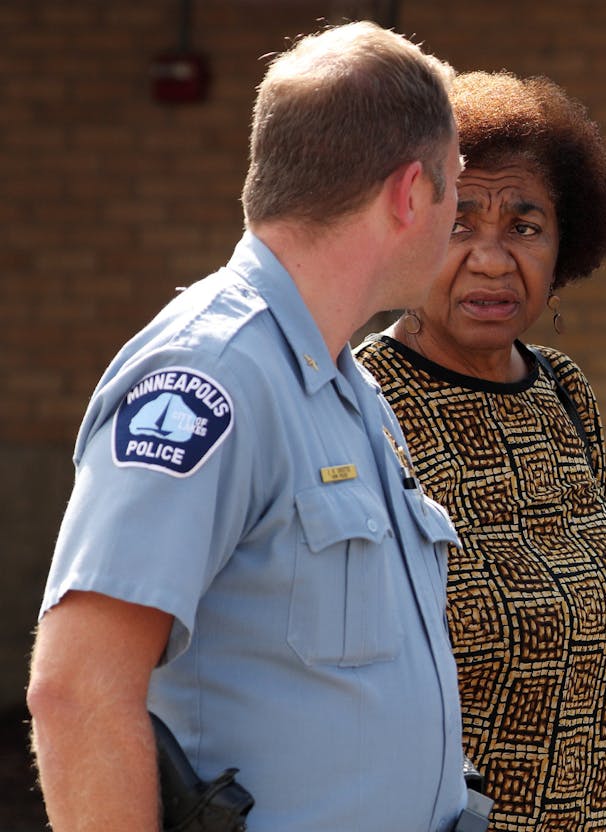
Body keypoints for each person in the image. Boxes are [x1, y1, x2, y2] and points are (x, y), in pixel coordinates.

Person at [26, 22, 469, 831]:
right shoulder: (213, 376)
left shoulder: (345, 388)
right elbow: (77, 690)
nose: (456, 223)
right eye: (455, 190)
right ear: (410, 194)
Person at [354, 70, 606, 831]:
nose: (492, 259)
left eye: (525, 226)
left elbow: (594, 707)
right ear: (410, 227)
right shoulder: (360, 404)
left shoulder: (566, 394)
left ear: (566, 245)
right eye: (460, 223)